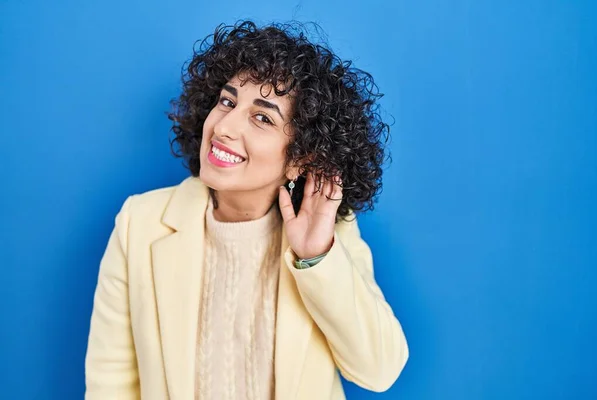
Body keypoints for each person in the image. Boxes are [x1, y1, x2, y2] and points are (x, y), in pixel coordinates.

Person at [85, 19, 409, 400]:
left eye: (262, 117)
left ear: (299, 159)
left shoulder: (333, 234)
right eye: (227, 101)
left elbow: (380, 370)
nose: (224, 126)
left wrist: (315, 256)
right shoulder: (139, 223)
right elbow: (111, 386)